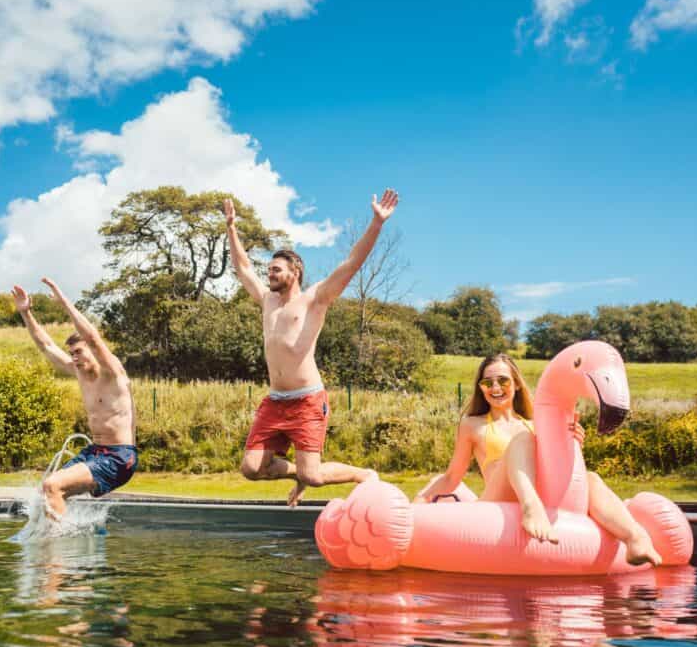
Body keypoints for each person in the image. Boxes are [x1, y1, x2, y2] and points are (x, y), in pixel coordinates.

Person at [225, 189, 399, 507]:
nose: (270, 274)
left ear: (296, 271)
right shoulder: (267, 301)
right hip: (275, 401)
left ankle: (363, 474)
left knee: (314, 477)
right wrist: (231, 228)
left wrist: (376, 223)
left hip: (307, 401)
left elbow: (350, 264)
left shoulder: (315, 300)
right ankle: (298, 474)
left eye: (276, 269)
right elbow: (243, 268)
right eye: (269, 270)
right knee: (251, 469)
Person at [415, 353, 662, 566]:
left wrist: (573, 443)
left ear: (517, 384)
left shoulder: (537, 424)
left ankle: (635, 538)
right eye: (487, 382)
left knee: (592, 478)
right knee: (522, 440)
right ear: (480, 388)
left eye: (503, 380)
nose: (495, 388)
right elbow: (451, 477)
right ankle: (531, 508)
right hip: (498, 500)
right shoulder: (473, 425)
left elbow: (561, 470)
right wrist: (418, 503)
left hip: (547, 496)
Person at [11, 277, 137, 518]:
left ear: (93, 352)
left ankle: (56, 550)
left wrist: (64, 302)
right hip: (97, 451)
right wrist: (26, 313)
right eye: (72, 354)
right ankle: (71, 537)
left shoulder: (113, 373)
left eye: (78, 352)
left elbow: (92, 338)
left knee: (52, 485)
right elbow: (46, 345)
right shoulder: (78, 372)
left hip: (120, 457)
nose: (74, 358)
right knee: (46, 492)